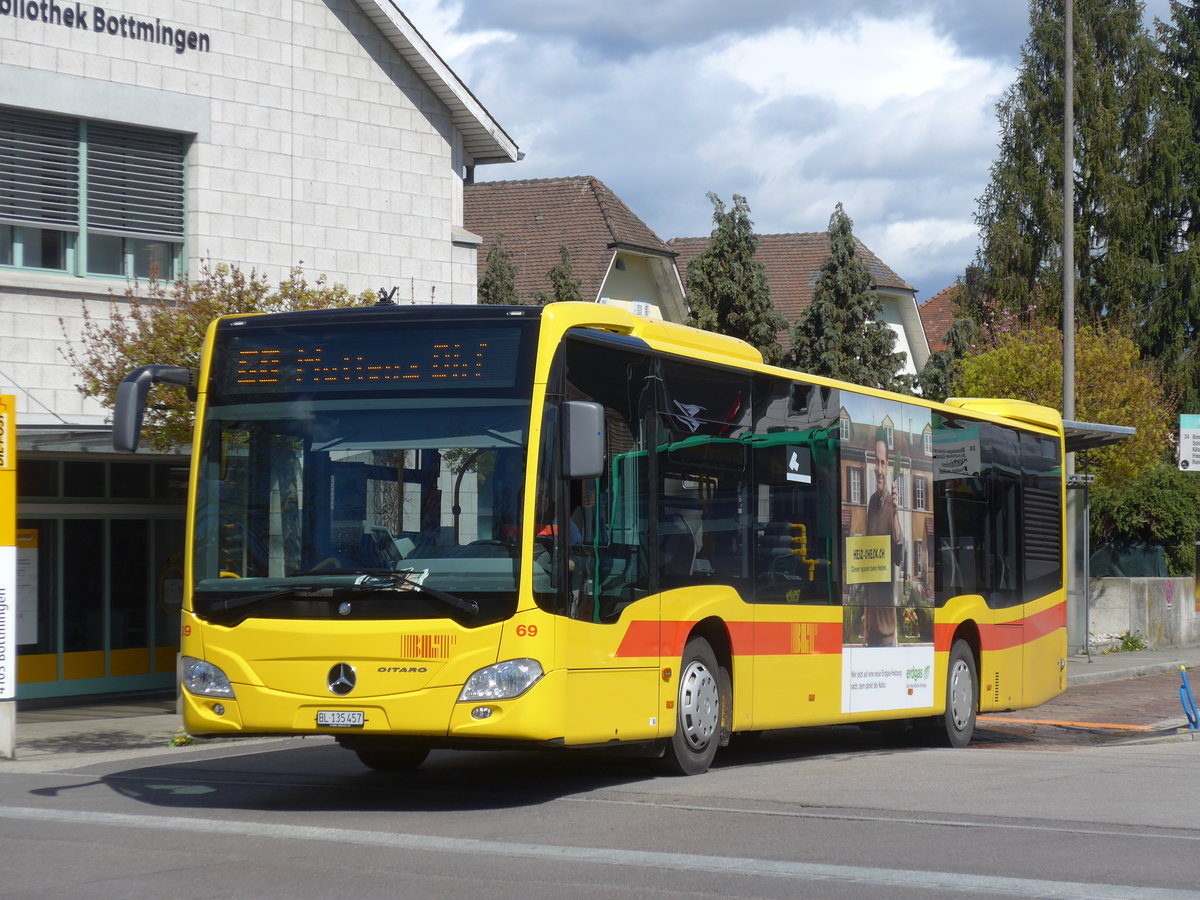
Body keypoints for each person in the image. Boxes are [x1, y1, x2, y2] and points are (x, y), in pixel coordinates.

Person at [864, 426, 903, 647]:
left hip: (888, 634)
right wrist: (865, 623)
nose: (879, 469)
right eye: (876, 463)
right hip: (871, 632)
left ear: (888, 467)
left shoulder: (892, 505)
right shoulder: (870, 504)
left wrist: (896, 515)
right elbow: (868, 566)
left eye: (883, 463)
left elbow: (899, 554)